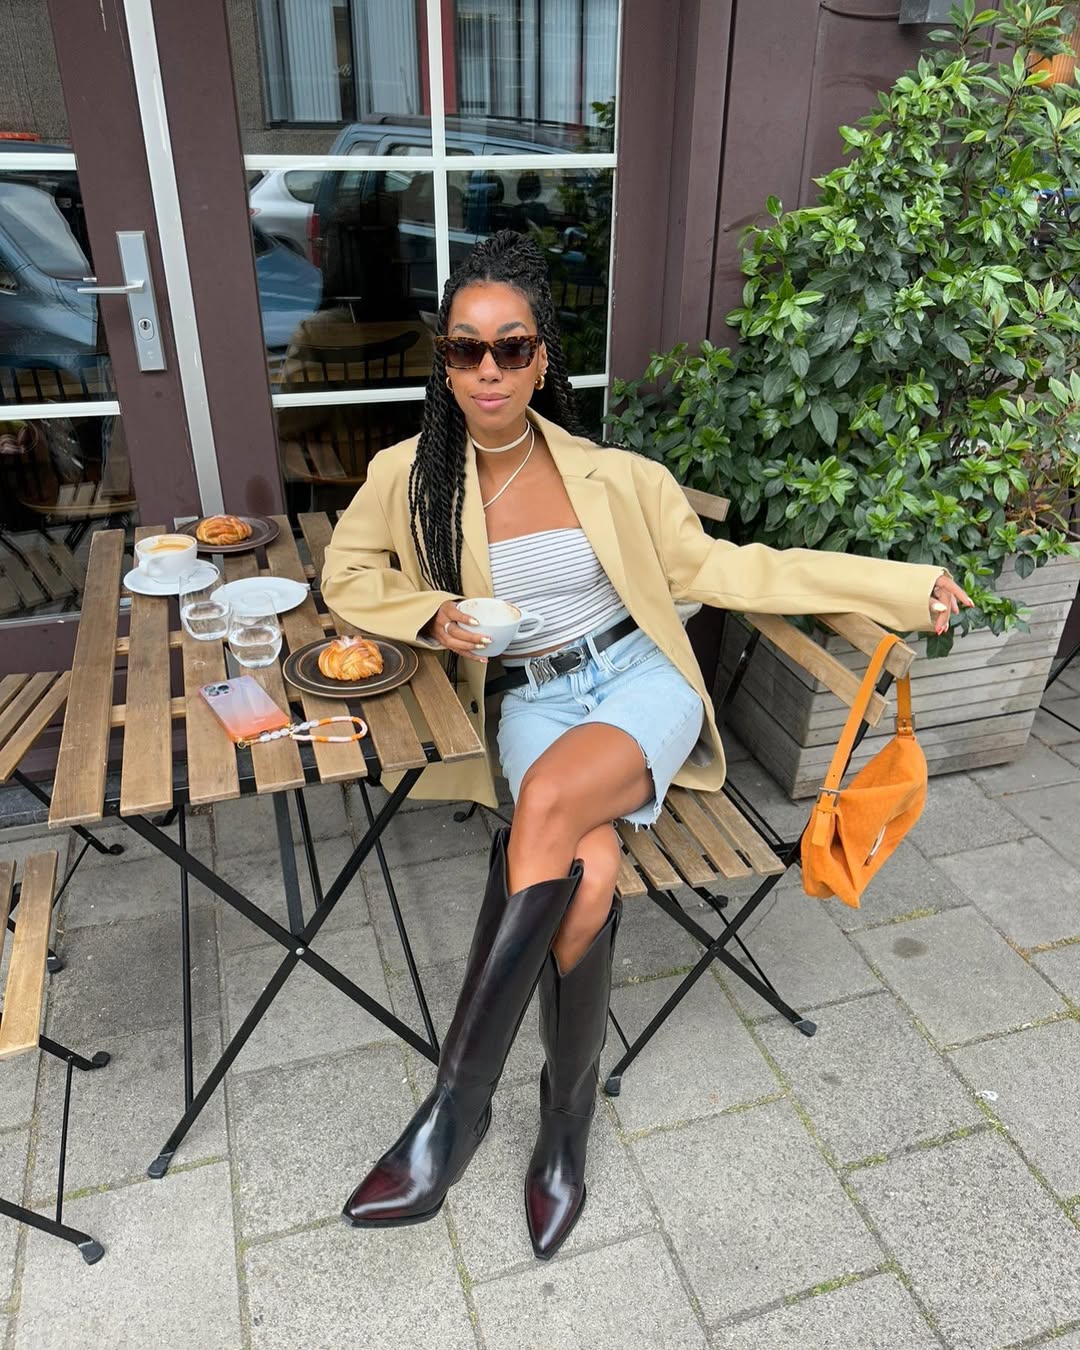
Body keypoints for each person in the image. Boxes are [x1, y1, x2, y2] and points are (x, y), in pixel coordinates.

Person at [321, 230, 971, 1260]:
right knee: (588, 869)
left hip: (637, 684)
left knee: (540, 813)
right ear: (442, 360)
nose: (486, 371)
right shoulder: (409, 474)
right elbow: (346, 575)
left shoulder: (615, 475)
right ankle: (563, 1126)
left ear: (544, 358)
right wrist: (430, 612)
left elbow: (740, 571)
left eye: (511, 347)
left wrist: (896, 584)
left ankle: (451, 1117)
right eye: (463, 349)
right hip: (532, 701)